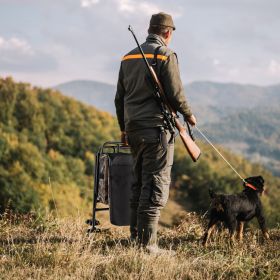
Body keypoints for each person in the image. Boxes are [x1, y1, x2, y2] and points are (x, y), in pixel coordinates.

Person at [115, 12, 197, 254]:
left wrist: (123, 128)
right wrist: (188, 114)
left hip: (133, 128)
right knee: (156, 185)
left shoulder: (128, 56)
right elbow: (175, 92)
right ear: (168, 33)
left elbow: (119, 98)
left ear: (150, 29)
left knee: (139, 184)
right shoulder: (165, 54)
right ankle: (148, 246)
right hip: (156, 129)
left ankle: (135, 240)